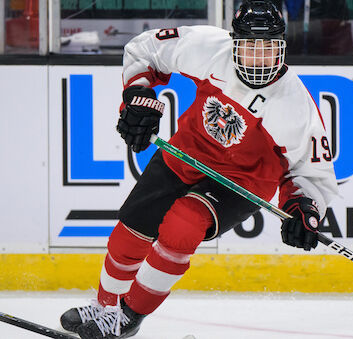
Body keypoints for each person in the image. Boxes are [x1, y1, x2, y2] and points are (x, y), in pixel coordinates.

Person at [59, 1, 338, 338]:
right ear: (234, 43)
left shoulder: (295, 106)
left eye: (268, 48)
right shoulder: (209, 47)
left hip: (242, 180)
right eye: (250, 47)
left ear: (282, 50)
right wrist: (138, 96)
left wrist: (302, 208)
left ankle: (126, 317)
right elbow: (145, 49)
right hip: (188, 151)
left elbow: (311, 176)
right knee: (130, 231)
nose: (258, 58)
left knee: (184, 224)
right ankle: (105, 308)